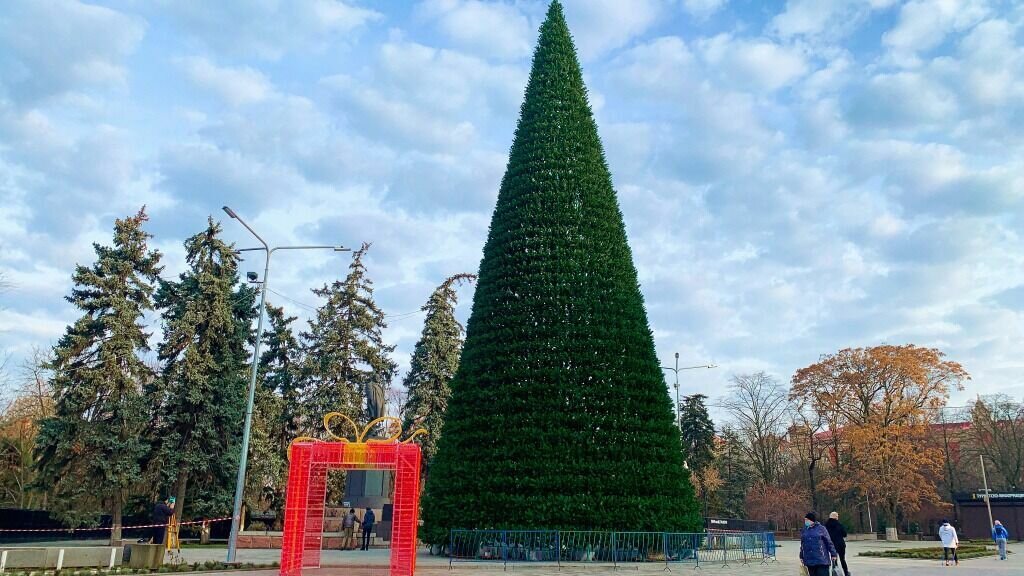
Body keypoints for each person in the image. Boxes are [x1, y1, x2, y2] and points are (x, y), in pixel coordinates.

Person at [800, 512, 838, 576]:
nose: (805, 521)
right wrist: (801, 556)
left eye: (807, 520)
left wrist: (833, 554)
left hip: (821, 559)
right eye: (805, 520)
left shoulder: (821, 528)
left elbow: (829, 542)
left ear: (811, 520)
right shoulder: (804, 530)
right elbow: (802, 544)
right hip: (809, 560)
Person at [824, 511, 849, 576]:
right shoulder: (839, 525)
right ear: (836, 517)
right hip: (840, 545)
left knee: (834, 560)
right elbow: (845, 534)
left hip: (832, 545)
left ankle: (835, 573)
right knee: (842, 559)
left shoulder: (826, 525)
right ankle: (846, 573)